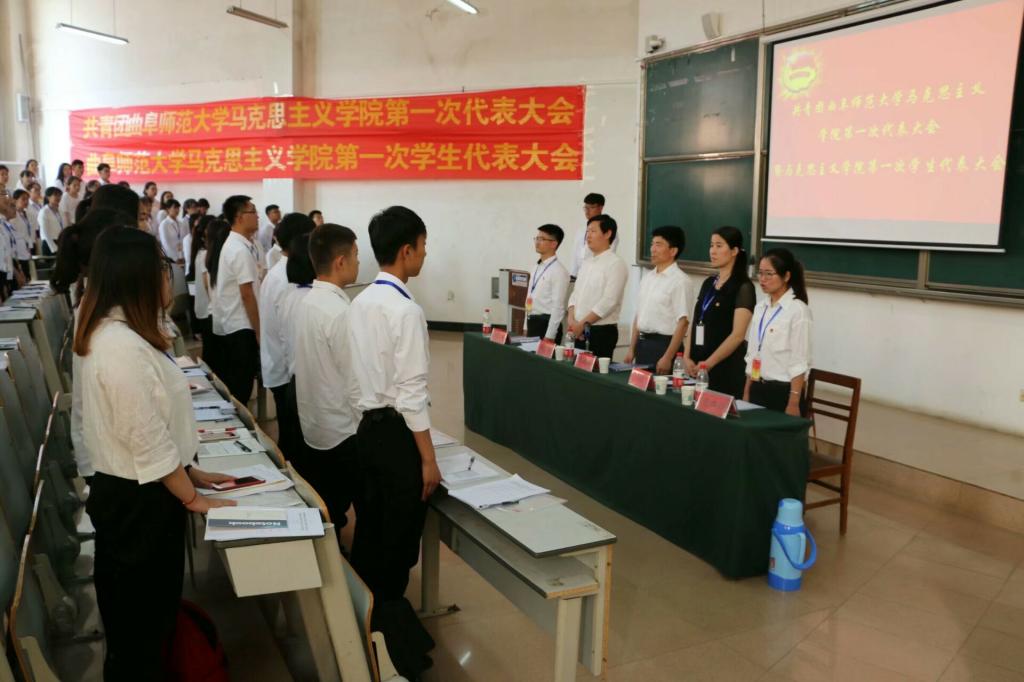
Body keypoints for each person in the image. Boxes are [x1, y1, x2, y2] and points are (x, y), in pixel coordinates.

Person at [74, 225, 235, 680]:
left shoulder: (127, 332)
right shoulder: (118, 346)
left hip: (146, 490)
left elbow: (153, 420)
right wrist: (191, 496)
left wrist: (190, 471)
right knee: (140, 631)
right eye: (163, 268)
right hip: (138, 504)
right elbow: (143, 434)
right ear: (138, 275)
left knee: (152, 621)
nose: (170, 276)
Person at [348, 205, 441, 600]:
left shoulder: (360, 301)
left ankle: (367, 614)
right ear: (406, 250)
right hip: (397, 438)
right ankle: (389, 620)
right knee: (398, 542)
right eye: (423, 245)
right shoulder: (405, 310)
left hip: (366, 431)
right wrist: (428, 459)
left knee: (371, 530)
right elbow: (411, 394)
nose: (425, 253)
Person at [293, 223, 360, 537]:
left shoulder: (308, 301)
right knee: (343, 498)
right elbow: (355, 377)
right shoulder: (338, 311)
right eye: (356, 255)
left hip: (315, 423)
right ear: (341, 262)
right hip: (341, 429)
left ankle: (332, 546)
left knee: (327, 497)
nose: (359, 262)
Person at [258, 212, 315, 458]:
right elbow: (290, 335)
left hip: (280, 367)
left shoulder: (281, 272)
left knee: (290, 432)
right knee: (294, 439)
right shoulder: (288, 278)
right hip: (286, 373)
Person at [684, 226, 755, 398]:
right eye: (711, 245)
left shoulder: (743, 287)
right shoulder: (708, 283)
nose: (712, 251)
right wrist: (686, 356)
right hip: (697, 365)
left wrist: (708, 364)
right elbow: (695, 322)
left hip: (724, 368)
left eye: (719, 246)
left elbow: (737, 335)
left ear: (734, 251)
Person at [743, 248, 811, 415]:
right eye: (760, 273)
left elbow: (800, 361)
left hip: (783, 393)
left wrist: (793, 402)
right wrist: (747, 392)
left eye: (769, 274)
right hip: (757, 387)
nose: (762, 279)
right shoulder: (760, 308)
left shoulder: (798, 310)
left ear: (786, 276)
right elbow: (753, 353)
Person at [211, 195, 261, 403]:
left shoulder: (240, 245)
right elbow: (247, 294)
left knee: (240, 384)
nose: (257, 216)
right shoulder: (239, 249)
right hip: (242, 325)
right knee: (241, 387)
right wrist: (259, 331)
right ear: (240, 217)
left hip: (237, 324)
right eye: (253, 211)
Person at [624, 225, 689, 373]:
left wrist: (668, 357)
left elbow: (683, 323)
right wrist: (631, 349)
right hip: (642, 344)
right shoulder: (648, 278)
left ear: (673, 251)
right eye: (652, 244)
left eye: (658, 245)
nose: (652, 249)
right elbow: (639, 315)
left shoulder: (681, 281)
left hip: (664, 346)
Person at [566, 214, 628, 359]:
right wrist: (571, 321)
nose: (588, 235)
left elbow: (609, 301)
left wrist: (582, 324)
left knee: (595, 371)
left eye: (593, 231)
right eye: (587, 231)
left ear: (607, 234)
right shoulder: (586, 262)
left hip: (601, 332)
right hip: (577, 330)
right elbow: (575, 294)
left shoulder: (616, 264)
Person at [525, 224, 570, 342]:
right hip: (532, 321)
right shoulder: (536, 267)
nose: (537, 242)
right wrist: (526, 326)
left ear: (554, 244)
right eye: (537, 238)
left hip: (546, 325)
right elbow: (529, 296)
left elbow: (558, 307)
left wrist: (550, 336)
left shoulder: (559, 271)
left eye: (542, 239)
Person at [569, 193, 618, 280]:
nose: (587, 211)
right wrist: (573, 274)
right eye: (585, 208)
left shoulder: (608, 229)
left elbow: (607, 254)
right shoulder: (580, 230)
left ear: (601, 208)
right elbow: (575, 254)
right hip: (579, 275)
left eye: (591, 207)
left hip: (597, 275)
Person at [10, 190, 33, 277]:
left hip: (25, 249)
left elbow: (27, 233)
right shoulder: (12, 215)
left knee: (28, 276)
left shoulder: (25, 214)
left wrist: (29, 247)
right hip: (17, 252)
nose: (26, 202)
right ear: (15, 200)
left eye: (27, 199)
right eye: (23, 199)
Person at [39, 186, 64, 255]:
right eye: (55, 195)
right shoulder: (44, 211)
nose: (58, 197)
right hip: (49, 243)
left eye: (59, 195)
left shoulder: (60, 210)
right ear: (48, 197)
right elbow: (45, 232)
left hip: (60, 241)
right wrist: (54, 248)